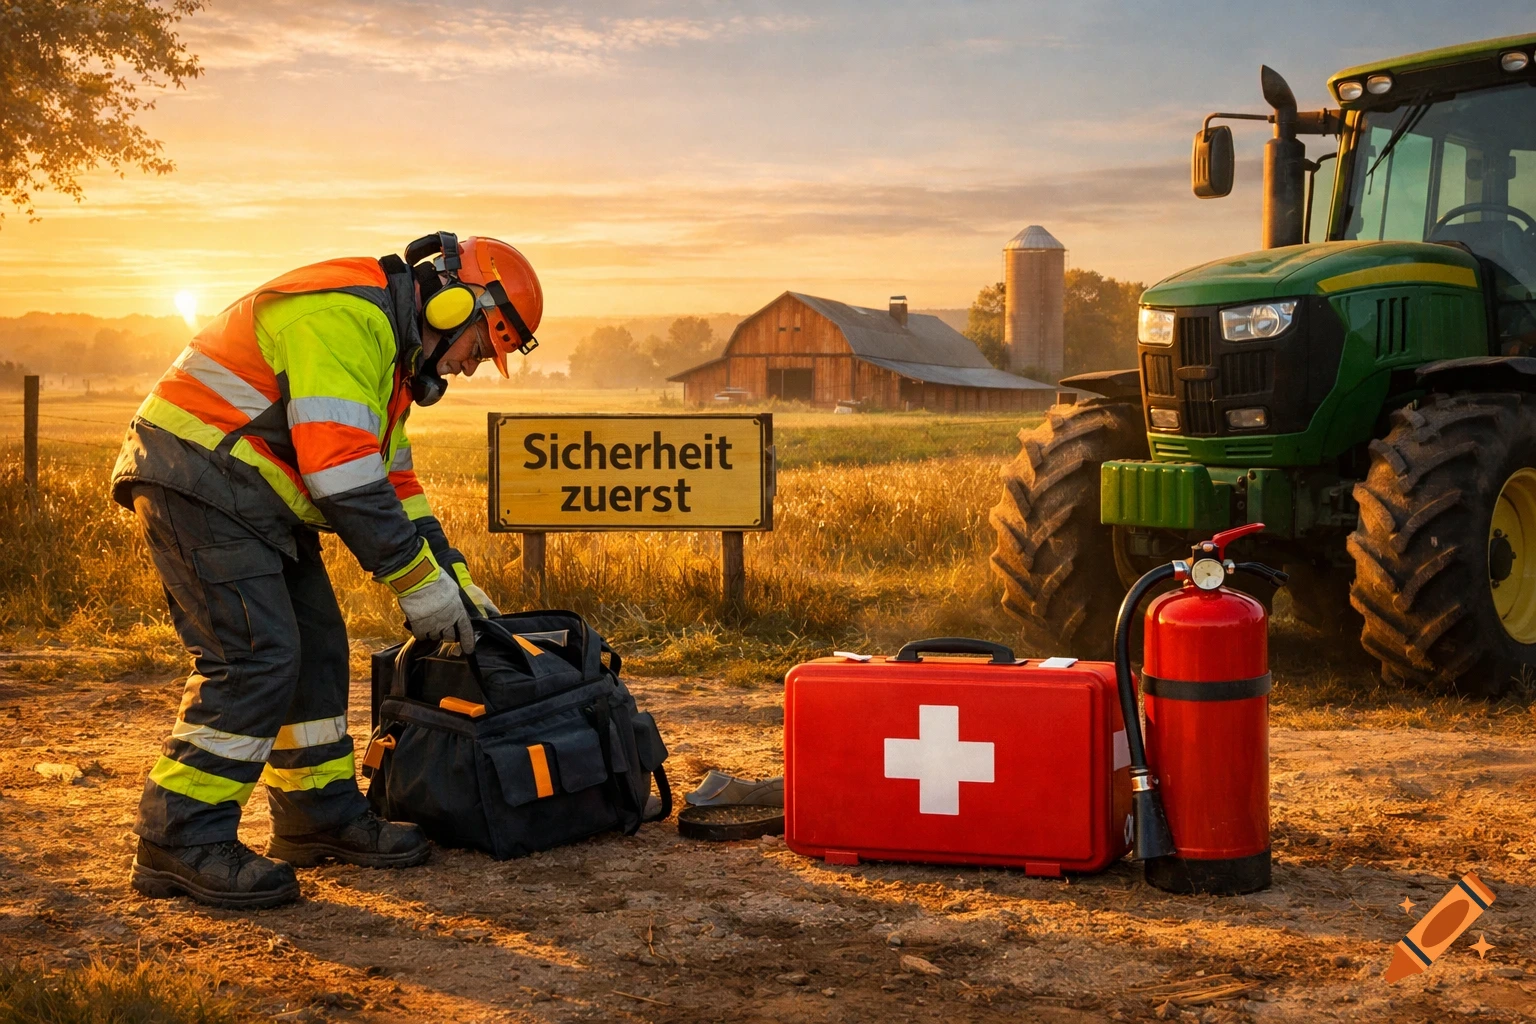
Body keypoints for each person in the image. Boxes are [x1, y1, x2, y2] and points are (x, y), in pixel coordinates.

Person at [110, 233, 541, 909]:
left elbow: (394, 482)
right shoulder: (345, 318)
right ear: (456, 305)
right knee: (255, 658)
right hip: (200, 476)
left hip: (254, 495)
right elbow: (342, 478)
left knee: (316, 652)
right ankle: (180, 838)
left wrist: (449, 573)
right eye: (481, 349)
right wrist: (414, 582)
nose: (471, 368)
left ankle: (318, 815)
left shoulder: (391, 360)